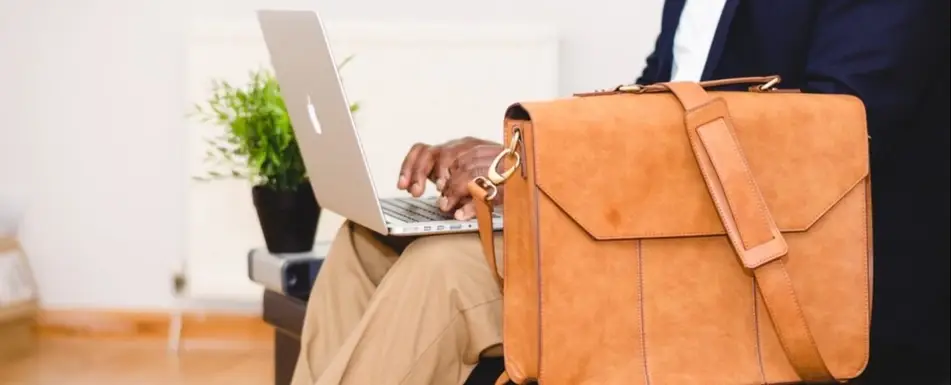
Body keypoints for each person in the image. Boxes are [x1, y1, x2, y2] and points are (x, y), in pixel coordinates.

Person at [291, 0, 950, 384]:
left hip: (773, 263)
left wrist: (547, 167)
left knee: (447, 273)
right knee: (364, 242)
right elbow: (649, 99)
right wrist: (517, 165)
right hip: (664, 231)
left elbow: (822, 140)